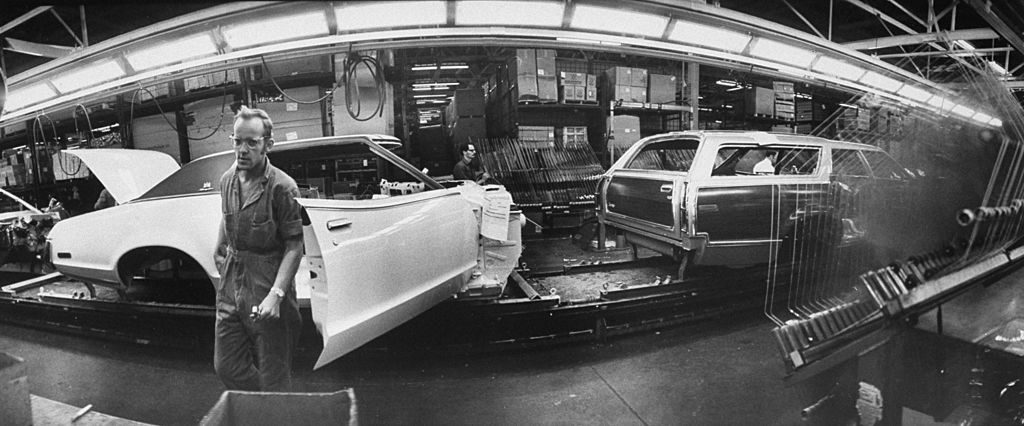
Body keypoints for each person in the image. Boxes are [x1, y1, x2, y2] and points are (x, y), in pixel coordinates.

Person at [212, 106, 303, 391]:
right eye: (237, 141)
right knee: (227, 366)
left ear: (268, 144)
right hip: (232, 280)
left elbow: (294, 244)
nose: (242, 149)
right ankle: (263, 406)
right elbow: (228, 213)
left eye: (252, 142)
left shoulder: (282, 187)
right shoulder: (227, 179)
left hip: (267, 280)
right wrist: (220, 243)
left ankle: (273, 409)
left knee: (274, 373)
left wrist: (276, 295)